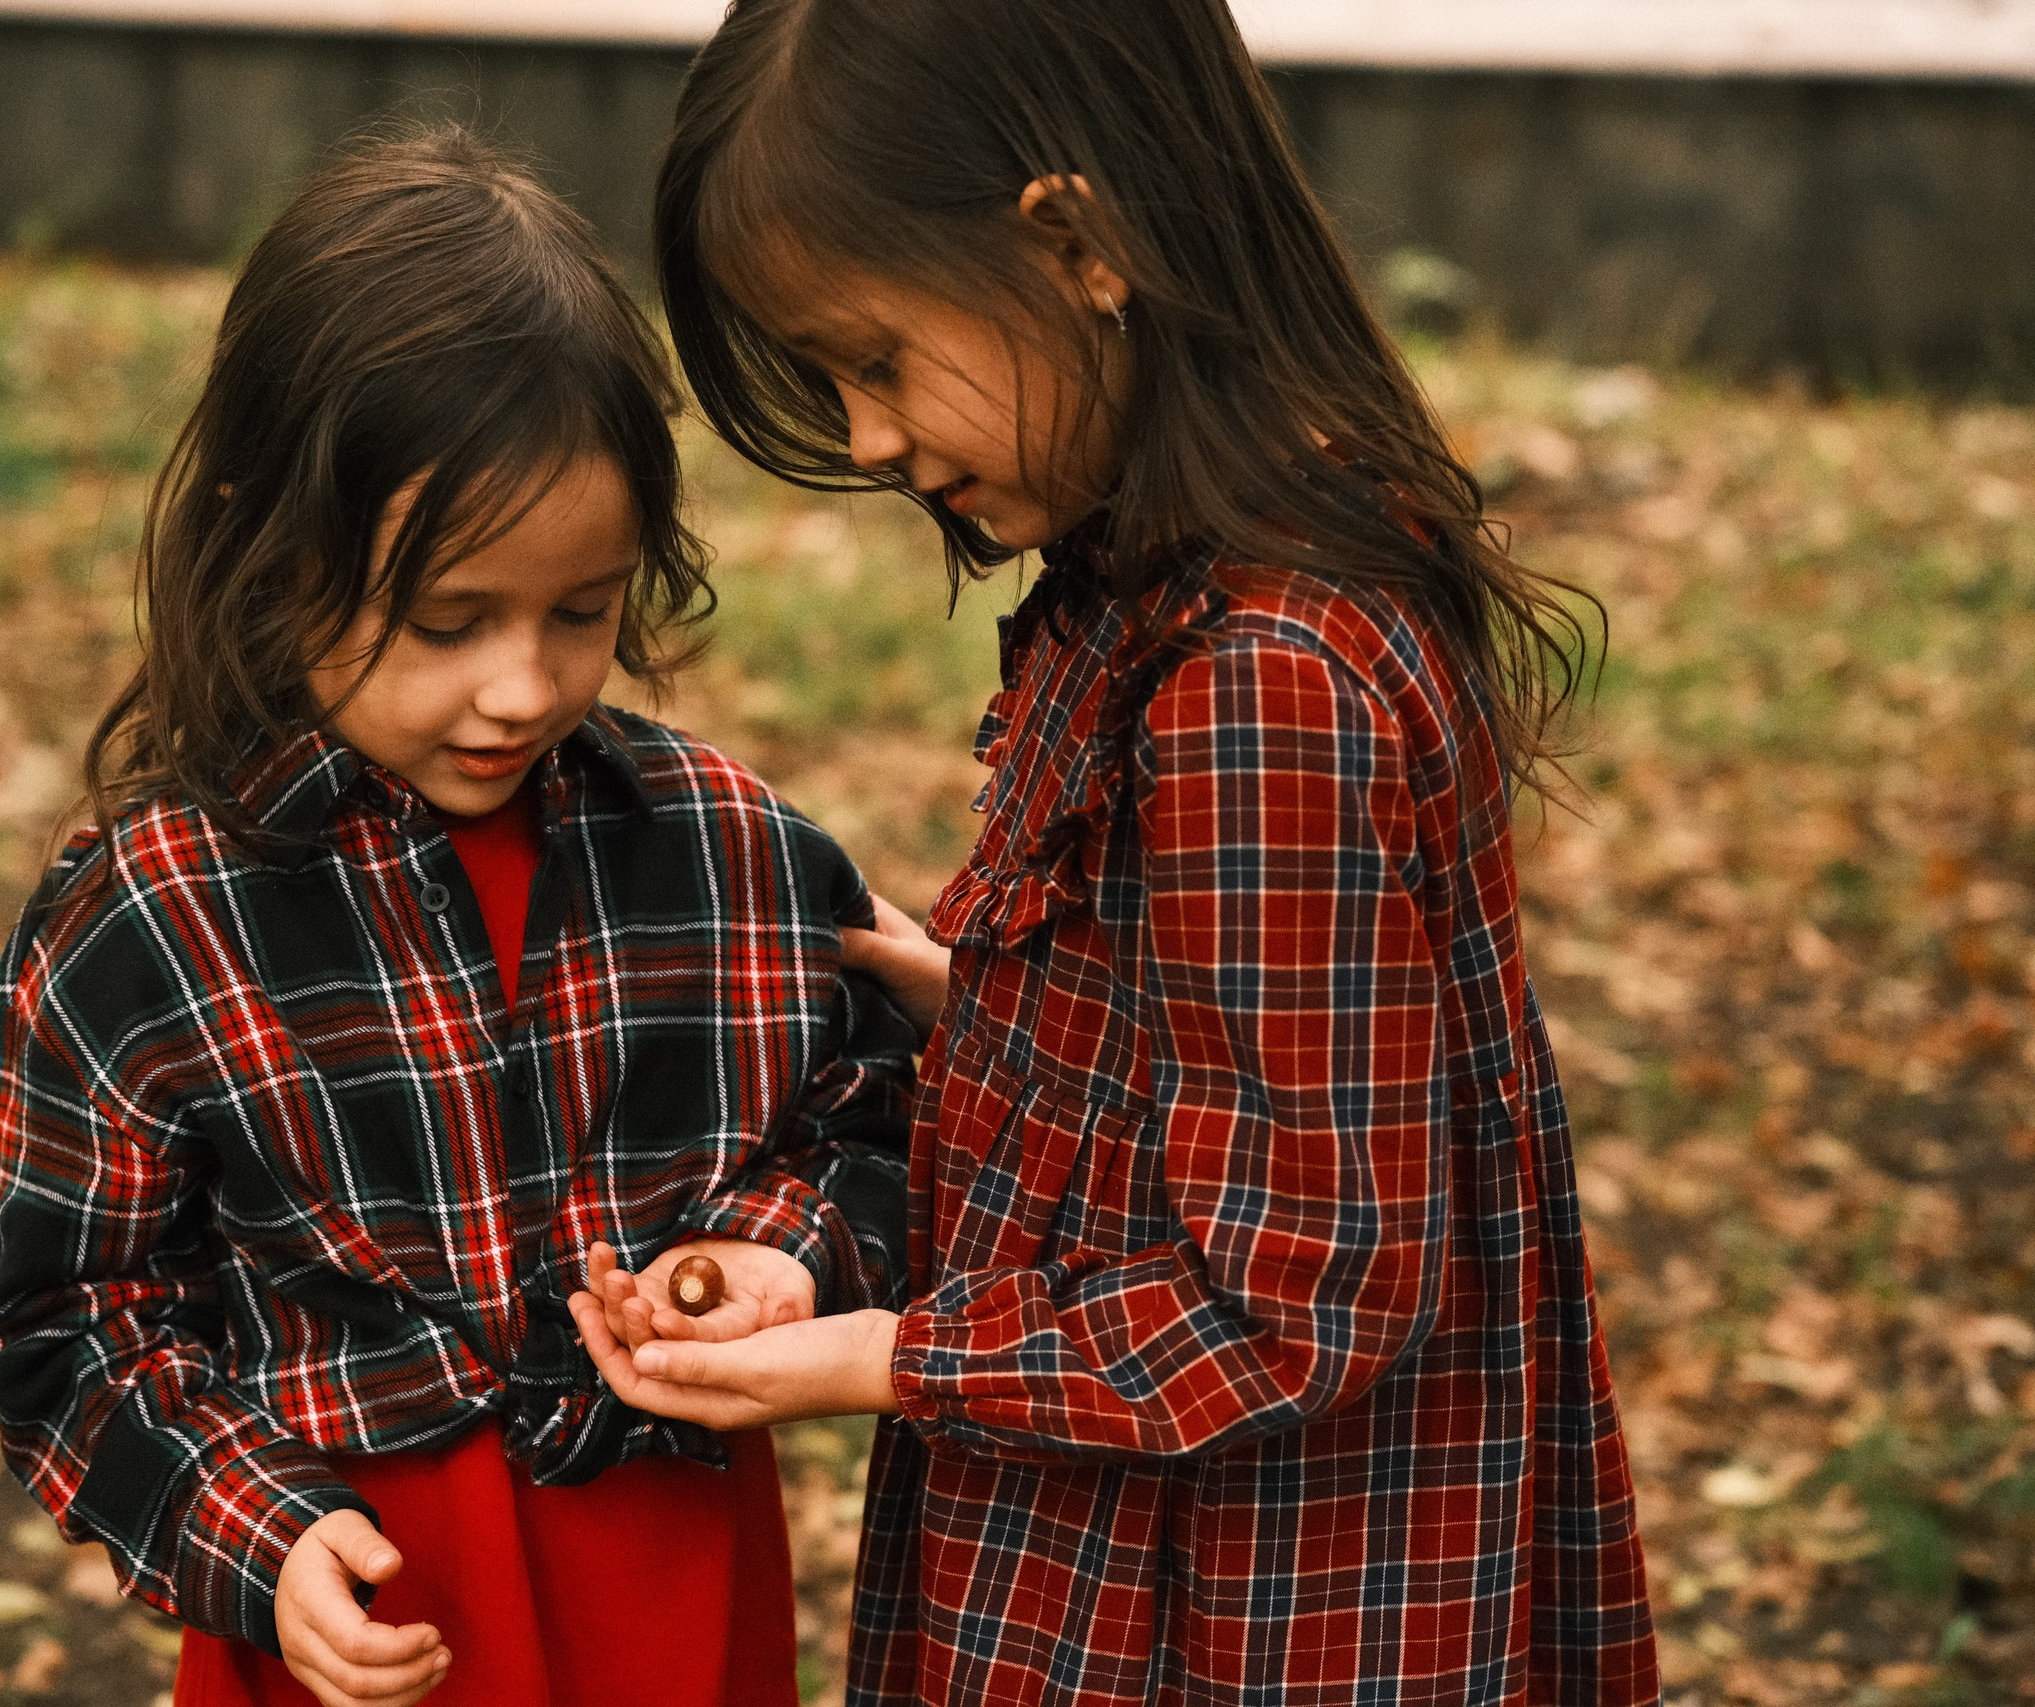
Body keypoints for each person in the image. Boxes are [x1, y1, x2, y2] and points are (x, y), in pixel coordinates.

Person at [569, 2, 1661, 1702]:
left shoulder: (1258, 680)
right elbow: (1250, 1079)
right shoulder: (1177, 574)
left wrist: (878, 1356)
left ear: (1078, 246)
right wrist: (990, 1008)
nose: (864, 439)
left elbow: (1298, 1294)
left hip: (1239, 1599)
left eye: (876, 359)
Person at [0, 128, 918, 1707]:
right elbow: (65, 1322)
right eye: (448, 621)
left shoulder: (720, 854)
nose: (523, 687)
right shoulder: (152, 922)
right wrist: (258, 1538)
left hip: (670, 1603)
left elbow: (883, 1117)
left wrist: (786, 1258)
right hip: (370, 1621)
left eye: (581, 611)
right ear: (278, 553)